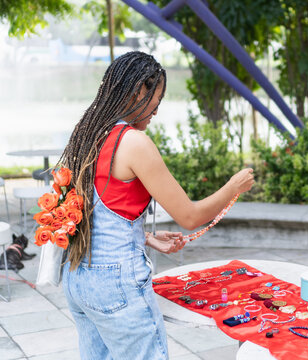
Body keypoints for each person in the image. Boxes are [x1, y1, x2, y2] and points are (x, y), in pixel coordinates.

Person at [58, 51, 254, 360]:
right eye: (156, 100)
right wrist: (233, 188)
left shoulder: (89, 133)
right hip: (115, 283)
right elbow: (189, 217)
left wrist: (145, 238)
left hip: (78, 277)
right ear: (138, 92)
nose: (156, 111)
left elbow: (93, 206)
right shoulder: (133, 142)